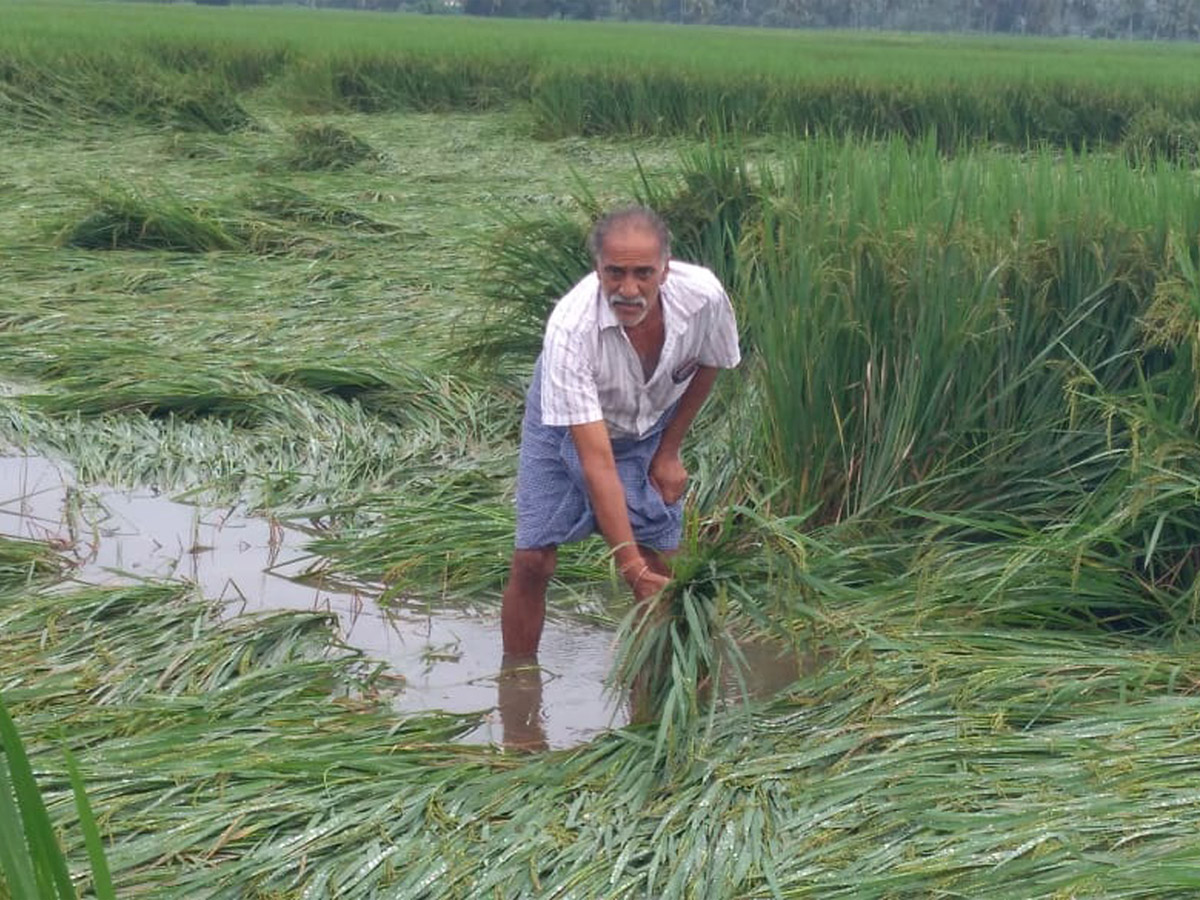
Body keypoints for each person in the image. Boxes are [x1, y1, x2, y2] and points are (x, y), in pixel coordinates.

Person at [500, 205, 741, 663]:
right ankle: (517, 680)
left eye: (642, 273)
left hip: (651, 421)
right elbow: (597, 462)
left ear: (665, 270)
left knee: (665, 567)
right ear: (598, 269)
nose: (628, 289)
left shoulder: (704, 297)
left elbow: (714, 359)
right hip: (563, 428)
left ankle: (666, 686)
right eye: (615, 273)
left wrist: (669, 451)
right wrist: (626, 565)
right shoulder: (572, 330)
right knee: (534, 560)